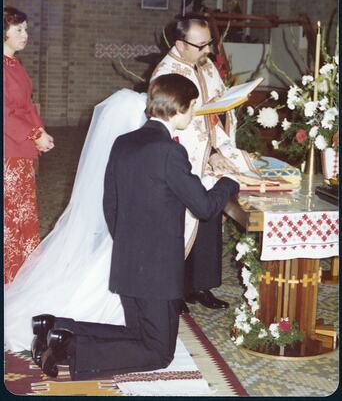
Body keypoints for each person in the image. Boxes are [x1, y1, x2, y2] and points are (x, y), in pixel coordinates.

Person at [31, 74, 239, 380]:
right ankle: (71, 350)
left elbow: (110, 204)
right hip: (157, 273)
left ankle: (59, 327)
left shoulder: (124, 142)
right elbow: (205, 208)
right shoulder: (170, 151)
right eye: (193, 107)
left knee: (137, 334)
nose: (194, 114)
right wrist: (230, 183)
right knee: (159, 352)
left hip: (128, 265)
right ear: (180, 108)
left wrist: (130, 245)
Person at [150, 16, 255, 309]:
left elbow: (217, 101)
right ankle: (176, 290)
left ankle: (200, 287)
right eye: (200, 45)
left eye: (209, 43)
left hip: (210, 155)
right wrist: (210, 154)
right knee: (179, 225)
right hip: (186, 159)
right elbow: (175, 122)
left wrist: (230, 104)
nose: (207, 50)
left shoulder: (205, 65)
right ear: (180, 44)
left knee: (208, 222)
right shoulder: (167, 73)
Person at [4, 6, 54, 283]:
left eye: (26, 29)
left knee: (22, 211)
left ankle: (21, 273)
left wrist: (41, 131)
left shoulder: (14, 64)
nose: (25, 35)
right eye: (18, 29)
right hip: (8, 149)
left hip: (20, 148)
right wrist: (35, 135)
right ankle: (9, 275)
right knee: (10, 214)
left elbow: (26, 106)